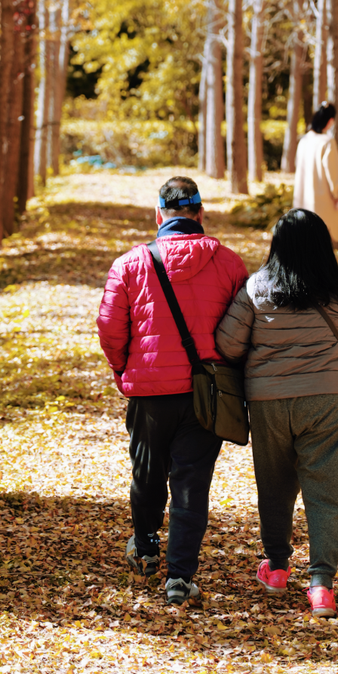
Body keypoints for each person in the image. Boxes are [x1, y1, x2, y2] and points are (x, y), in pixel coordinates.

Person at [96, 176, 248, 606]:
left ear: (158, 215)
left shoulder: (130, 264)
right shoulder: (229, 264)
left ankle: (146, 546)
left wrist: (124, 369)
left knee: (147, 472)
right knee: (191, 484)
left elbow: (109, 328)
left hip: (149, 392)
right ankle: (180, 577)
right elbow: (243, 332)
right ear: (201, 213)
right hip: (206, 395)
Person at [215, 209, 338, 618]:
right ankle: (321, 586)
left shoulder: (257, 287)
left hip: (269, 400)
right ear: (323, 246)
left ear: (278, 245)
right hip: (330, 398)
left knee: (275, 484)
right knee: (328, 490)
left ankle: (277, 568)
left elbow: (228, 345)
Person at [293, 102, 338, 247]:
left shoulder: (304, 141)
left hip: (302, 202)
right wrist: (337, 196)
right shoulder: (327, 142)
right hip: (323, 203)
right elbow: (333, 173)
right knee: (322, 243)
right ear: (330, 121)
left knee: (305, 243)